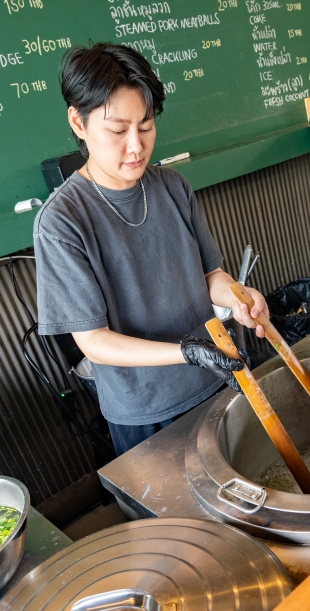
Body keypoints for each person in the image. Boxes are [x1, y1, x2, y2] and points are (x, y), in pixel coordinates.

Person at [34, 43, 268, 457]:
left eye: (145, 126)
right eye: (118, 130)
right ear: (78, 122)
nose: (136, 146)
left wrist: (240, 297)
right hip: (146, 411)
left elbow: (211, 275)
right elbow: (93, 341)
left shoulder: (173, 187)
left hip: (217, 379)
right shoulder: (62, 221)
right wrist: (185, 352)